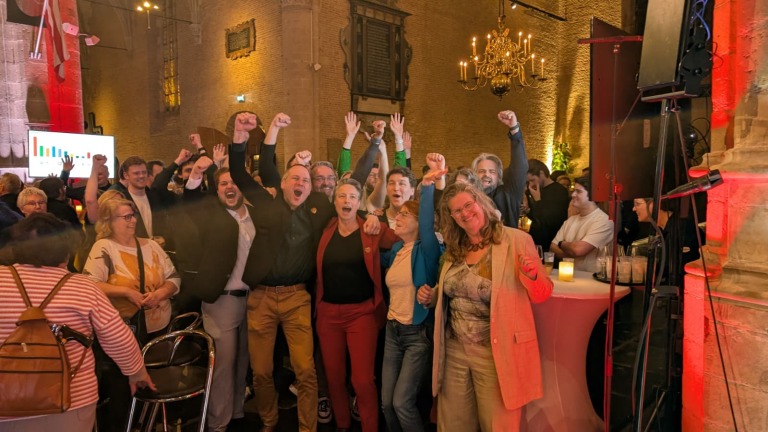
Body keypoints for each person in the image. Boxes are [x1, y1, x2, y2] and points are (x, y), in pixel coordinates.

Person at [227, 112, 382, 432]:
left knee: (305, 370)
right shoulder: (267, 201)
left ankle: (307, 428)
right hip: (261, 298)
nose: (300, 183)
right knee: (262, 372)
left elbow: (351, 184)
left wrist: (369, 214)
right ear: (281, 183)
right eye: (294, 178)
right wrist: (240, 138)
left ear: (312, 188)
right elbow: (241, 177)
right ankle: (269, 421)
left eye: (305, 180)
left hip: (298, 297)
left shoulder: (318, 208)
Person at [418, 183, 553, 431]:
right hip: (454, 353)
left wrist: (533, 275)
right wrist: (433, 295)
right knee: (454, 425)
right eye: (456, 211)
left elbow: (542, 294)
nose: (465, 213)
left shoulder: (517, 240)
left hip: (496, 354)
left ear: (481, 203)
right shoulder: (455, 248)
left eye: (468, 205)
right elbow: (455, 289)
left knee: (497, 425)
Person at [0, 213, 154, 431]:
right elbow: (120, 339)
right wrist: (137, 374)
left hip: (6, 399)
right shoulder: (82, 287)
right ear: (65, 250)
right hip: (71, 399)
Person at [82, 197, 180, 431]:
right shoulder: (103, 247)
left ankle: (146, 424)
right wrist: (125, 291)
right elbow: (89, 283)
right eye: (126, 216)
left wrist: (162, 293)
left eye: (133, 215)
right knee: (121, 393)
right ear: (109, 221)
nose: (132, 220)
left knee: (153, 385)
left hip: (156, 331)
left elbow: (174, 278)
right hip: (120, 334)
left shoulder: (152, 246)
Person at [314, 178, 397, 432]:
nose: (346, 201)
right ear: (335, 201)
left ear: (359, 202)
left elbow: (404, 238)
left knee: (362, 380)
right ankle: (342, 425)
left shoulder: (372, 228)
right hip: (328, 314)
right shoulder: (325, 228)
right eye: (342, 196)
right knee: (334, 378)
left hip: (362, 314)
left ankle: (370, 427)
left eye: (352, 197)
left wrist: (374, 215)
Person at [183, 159, 255, 431]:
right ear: (216, 190)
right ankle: (217, 424)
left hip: (253, 300)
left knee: (242, 363)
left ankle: (236, 412)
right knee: (223, 366)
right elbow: (190, 199)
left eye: (234, 182)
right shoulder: (211, 215)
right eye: (223, 183)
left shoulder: (253, 214)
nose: (229, 186)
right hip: (222, 300)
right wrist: (197, 173)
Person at [380, 161, 446, 432]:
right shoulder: (397, 249)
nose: (399, 216)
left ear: (419, 223)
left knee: (401, 403)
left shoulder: (427, 249)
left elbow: (429, 227)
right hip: (392, 331)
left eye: (406, 214)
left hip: (416, 333)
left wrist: (427, 187)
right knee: (386, 403)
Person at [471, 110, 529, 227]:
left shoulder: (508, 194)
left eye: (492, 171)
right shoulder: (469, 197)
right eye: (481, 171)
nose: (486, 174)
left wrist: (514, 129)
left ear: (498, 176)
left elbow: (520, 167)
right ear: (474, 175)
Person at [550, 176, 613, 272]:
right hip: (570, 277)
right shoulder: (571, 220)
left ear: (592, 195)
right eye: (573, 191)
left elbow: (578, 250)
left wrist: (561, 243)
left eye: (578, 191)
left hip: (592, 281)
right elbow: (553, 248)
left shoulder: (604, 220)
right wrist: (572, 255)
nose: (573, 195)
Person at [525, 159, 570, 251]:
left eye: (532, 180)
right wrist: (527, 211)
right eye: (528, 181)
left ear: (541, 174)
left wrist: (537, 200)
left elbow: (549, 221)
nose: (531, 184)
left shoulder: (559, 191)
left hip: (550, 244)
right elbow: (536, 218)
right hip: (535, 241)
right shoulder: (537, 190)